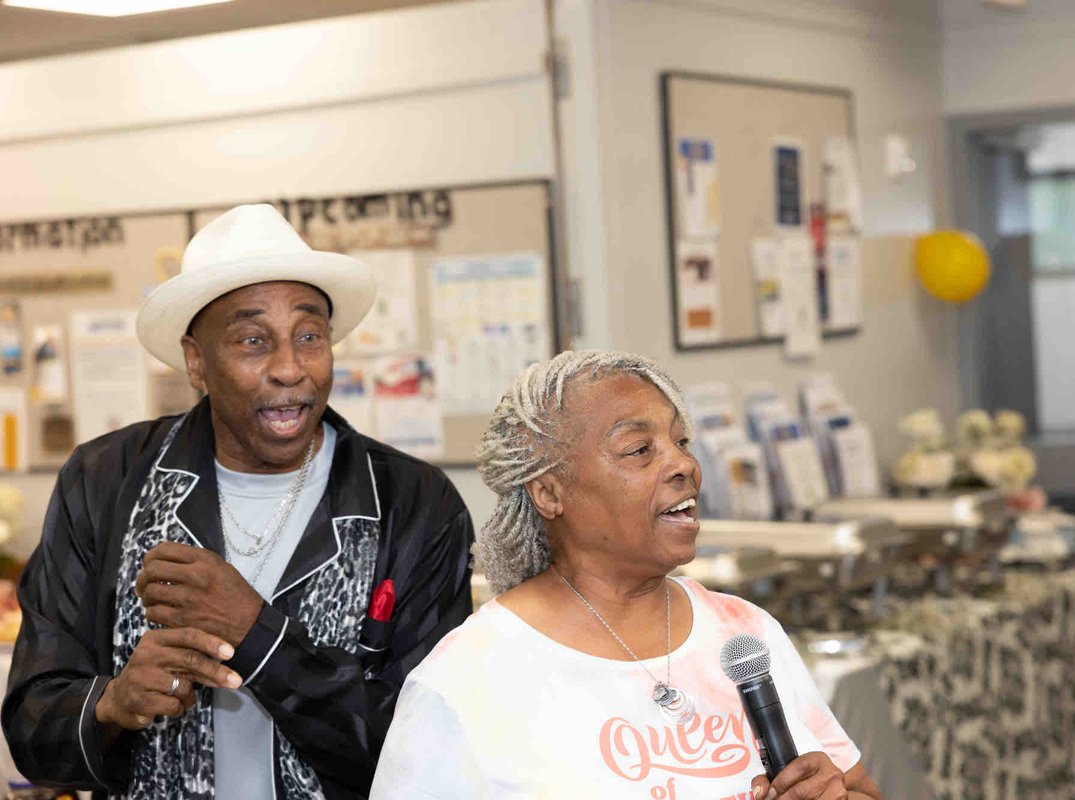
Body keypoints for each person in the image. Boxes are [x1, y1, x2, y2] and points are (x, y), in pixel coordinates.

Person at [2, 204, 474, 799]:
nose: (289, 367)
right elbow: (31, 728)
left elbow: (431, 751)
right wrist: (112, 703)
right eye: (253, 341)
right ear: (196, 361)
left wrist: (258, 636)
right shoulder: (107, 480)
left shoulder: (411, 502)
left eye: (309, 336)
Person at [371, 350, 881, 799]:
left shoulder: (746, 633)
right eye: (640, 450)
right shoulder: (463, 682)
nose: (684, 464)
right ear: (549, 493)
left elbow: (860, 791)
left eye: (681, 441)